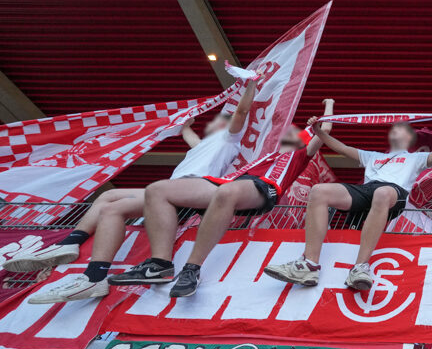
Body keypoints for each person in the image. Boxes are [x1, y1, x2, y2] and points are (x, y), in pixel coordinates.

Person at [19, 77, 261, 304]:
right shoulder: (203, 146)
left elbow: (241, 111)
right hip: (169, 191)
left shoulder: (231, 139)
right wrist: (185, 124)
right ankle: (78, 253)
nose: (219, 121)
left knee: (134, 198)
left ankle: (137, 268)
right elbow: (188, 136)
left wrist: (250, 83)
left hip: (193, 188)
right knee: (109, 200)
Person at [107, 99, 334, 298]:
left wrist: (326, 109)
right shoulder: (267, 154)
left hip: (264, 189)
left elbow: (325, 130)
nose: (290, 137)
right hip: (228, 183)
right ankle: (159, 264)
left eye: (297, 135)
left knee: (228, 192)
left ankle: (191, 269)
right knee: (157, 189)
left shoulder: (303, 153)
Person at [263, 113, 432, 291]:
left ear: (409, 138)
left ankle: (360, 267)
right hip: (367, 190)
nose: (395, 132)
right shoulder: (373, 156)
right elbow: (342, 148)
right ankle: (308, 264)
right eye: (393, 130)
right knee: (319, 191)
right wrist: (319, 131)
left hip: (393, 192)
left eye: (401, 130)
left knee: (381, 193)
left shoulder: (416, 158)